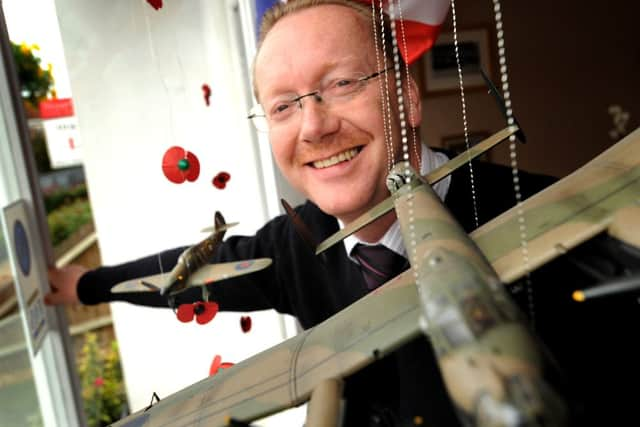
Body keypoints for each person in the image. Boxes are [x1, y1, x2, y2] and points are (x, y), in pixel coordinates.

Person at [45, 1, 593, 425]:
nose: (313, 126)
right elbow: (191, 275)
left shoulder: (555, 213)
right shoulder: (291, 247)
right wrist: (86, 285)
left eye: (341, 84)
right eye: (283, 106)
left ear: (406, 97)